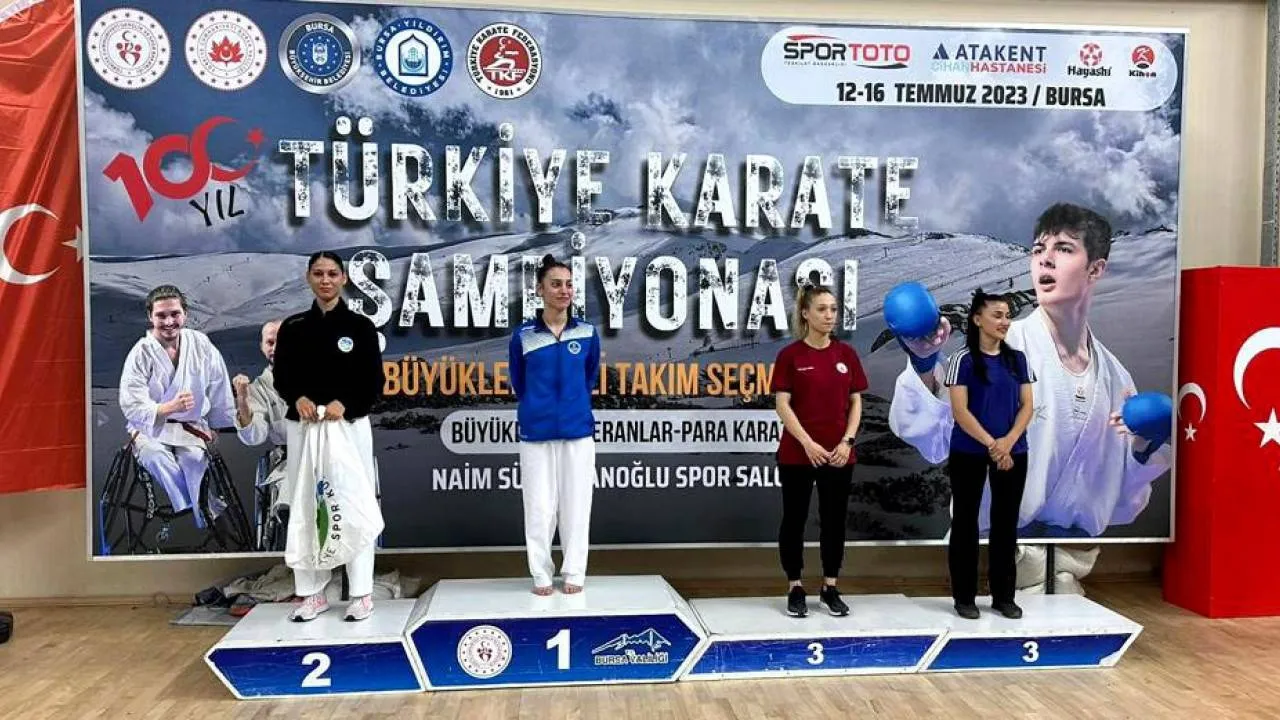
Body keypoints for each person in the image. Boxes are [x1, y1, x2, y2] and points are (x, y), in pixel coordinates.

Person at [886, 203, 1173, 542]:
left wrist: (1142, 449)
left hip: (1069, 558)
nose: (1045, 260)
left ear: (1095, 269)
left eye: (1063, 249)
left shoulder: (1116, 378)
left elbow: (1124, 503)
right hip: (990, 549)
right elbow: (935, 438)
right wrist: (924, 363)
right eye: (1038, 249)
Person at [272, 252, 385, 622]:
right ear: (308, 277)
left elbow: (373, 381)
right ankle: (311, 593)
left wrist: (344, 403)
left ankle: (362, 593)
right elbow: (282, 376)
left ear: (343, 279)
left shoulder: (360, 327)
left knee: (354, 502)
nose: (325, 280)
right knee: (306, 504)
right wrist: (298, 398)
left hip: (348, 426)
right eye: (318, 273)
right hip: (304, 427)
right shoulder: (293, 327)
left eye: (332, 274)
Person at [772, 283, 868, 618]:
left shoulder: (846, 355)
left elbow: (856, 402)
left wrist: (847, 441)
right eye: (822, 309)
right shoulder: (790, 356)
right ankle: (795, 586)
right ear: (805, 313)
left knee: (834, 522)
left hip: (839, 454)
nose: (829, 316)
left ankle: (830, 587)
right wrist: (807, 443)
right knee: (794, 520)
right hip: (798, 454)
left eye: (833, 309)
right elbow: (782, 404)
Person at [508, 254, 601, 596]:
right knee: (539, 507)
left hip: (578, 432)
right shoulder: (523, 336)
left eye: (569, 284)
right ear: (540, 290)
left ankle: (574, 570)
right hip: (536, 433)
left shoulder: (587, 333)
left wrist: (572, 407)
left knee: (577, 505)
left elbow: (588, 377)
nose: (564, 290)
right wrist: (539, 409)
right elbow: (519, 381)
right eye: (556, 284)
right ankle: (541, 574)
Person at [944, 290, 1035, 619]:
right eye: (997, 315)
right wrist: (993, 445)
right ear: (977, 319)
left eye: (1008, 316)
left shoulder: (1017, 360)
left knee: (1005, 524)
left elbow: (1027, 406)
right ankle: (964, 597)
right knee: (965, 522)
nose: (1005, 322)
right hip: (969, 451)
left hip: (1013, 451)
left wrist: (1008, 442)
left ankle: (1004, 596)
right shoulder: (962, 360)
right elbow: (960, 411)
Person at [118, 285, 236, 529]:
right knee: (154, 456)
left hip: (191, 426)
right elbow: (131, 403)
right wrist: (168, 407)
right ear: (150, 316)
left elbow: (219, 384)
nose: (169, 321)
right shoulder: (141, 352)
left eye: (175, 314)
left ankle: (204, 514)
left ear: (185, 314)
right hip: (151, 428)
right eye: (161, 315)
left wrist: (217, 425)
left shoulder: (200, 343)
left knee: (194, 459)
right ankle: (202, 508)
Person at [233, 320, 290, 549]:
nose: (276, 348)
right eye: (270, 342)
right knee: (289, 489)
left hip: (329, 455)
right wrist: (243, 400)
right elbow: (254, 436)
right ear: (262, 347)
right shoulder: (260, 388)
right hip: (290, 460)